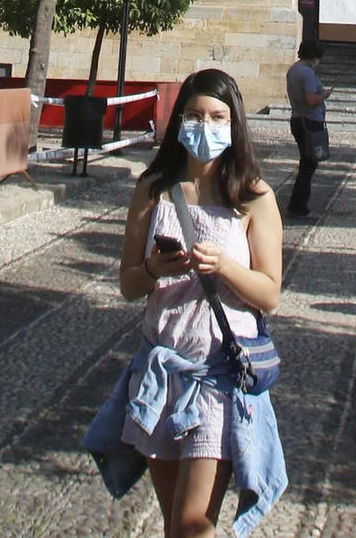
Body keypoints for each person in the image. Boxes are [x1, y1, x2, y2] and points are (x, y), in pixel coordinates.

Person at [86, 69, 288, 538]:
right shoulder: (153, 187)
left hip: (218, 378)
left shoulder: (253, 198)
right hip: (159, 375)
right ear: (179, 120)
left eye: (218, 117)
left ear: (234, 124)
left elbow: (270, 293)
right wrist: (157, 268)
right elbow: (129, 284)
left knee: (192, 525)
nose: (205, 126)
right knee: (174, 525)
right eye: (195, 115)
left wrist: (224, 267)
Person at [284, 41, 331, 219]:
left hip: (298, 118)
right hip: (310, 121)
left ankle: (297, 204)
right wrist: (324, 95)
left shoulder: (294, 69)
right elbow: (311, 99)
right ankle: (299, 206)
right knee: (309, 165)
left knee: (306, 163)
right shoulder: (307, 73)